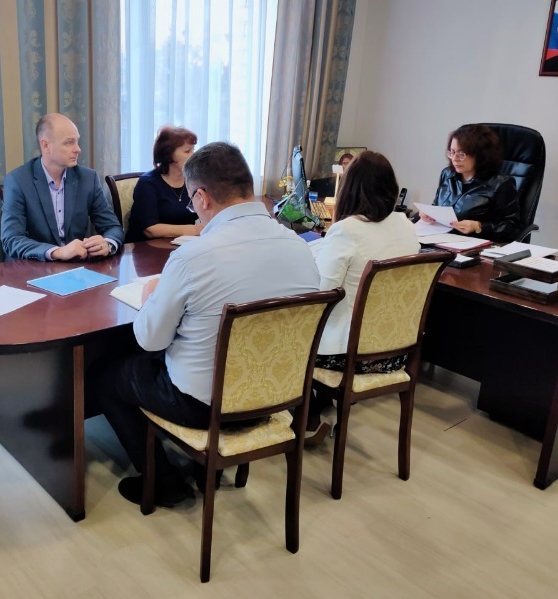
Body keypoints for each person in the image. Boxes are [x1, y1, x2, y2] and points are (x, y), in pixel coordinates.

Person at [90, 142, 320, 507]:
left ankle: (162, 482)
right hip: (278, 395)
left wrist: (151, 295)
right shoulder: (298, 247)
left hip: (204, 405)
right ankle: (202, 468)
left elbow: (149, 340)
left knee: (106, 376)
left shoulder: (193, 257)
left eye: (191, 202)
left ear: (201, 197)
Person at [307, 150, 420, 440]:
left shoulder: (346, 231)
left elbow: (322, 294)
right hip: (395, 353)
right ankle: (321, 406)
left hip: (348, 356)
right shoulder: (406, 226)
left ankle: (307, 417)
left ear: (349, 189)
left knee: (291, 334)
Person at [0, 113, 125, 261]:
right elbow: (11, 239)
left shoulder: (88, 178)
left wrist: (107, 244)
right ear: (45, 145)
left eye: (77, 141)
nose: (78, 149)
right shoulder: (18, 181)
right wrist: (57, 252)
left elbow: (113, 227)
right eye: (69, 143)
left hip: (77, 267)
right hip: (35, 267)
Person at [420, 123, 519, 242]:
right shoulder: (447, 174)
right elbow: (437, 205)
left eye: (461, 154)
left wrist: (478, 227)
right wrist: (428, 214)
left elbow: (512, 227)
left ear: (480, 155)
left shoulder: (501, 183)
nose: (454, 159)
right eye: (452, 152)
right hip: (440, 241)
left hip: (475, 246)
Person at [125, 125, 203, 242]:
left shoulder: (193, 181)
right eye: (187, 151)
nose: (194, 155)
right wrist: (194, 230)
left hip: (182, 245)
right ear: (168, 154)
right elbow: (150, 229)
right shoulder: (148, 183)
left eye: (193, 150)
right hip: (145, 247)